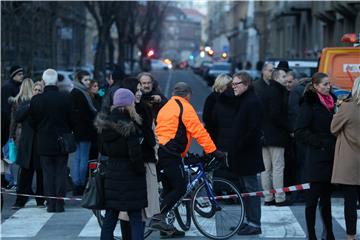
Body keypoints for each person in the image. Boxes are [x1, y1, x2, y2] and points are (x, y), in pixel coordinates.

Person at [152, 82, 226, 237]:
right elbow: (198, 130)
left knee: (168, 189)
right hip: (171, 153)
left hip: (161, 150)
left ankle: (166, 230)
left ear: (173, 93)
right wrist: (213, 151)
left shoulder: (167, 106)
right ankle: (158, 218)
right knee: (180, 188)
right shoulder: (185, 106)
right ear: (188, 95)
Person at [214, 72, 264, 235]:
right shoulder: (242, 99)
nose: (233, 87)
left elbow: (253, 130)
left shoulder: (252, 102)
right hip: (241, 154)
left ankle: (254, 223)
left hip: (248, 155)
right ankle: (247, 220)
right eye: (232, 84)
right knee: (245, 189)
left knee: (251, 189)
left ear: (246, 85)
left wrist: (238, 145)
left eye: (236, 84)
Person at [95, 88, 146, 240]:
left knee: (110, 216)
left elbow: (101, 149)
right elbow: (135, 154)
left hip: (112, 172)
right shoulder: (129, 125)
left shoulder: (104, 124)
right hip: (131, 174)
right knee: (136, 217)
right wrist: (141, 170)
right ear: (127, 104)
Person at [116, 77, 160, 240]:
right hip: (131, 166)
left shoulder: (145, 109)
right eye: (137, 90)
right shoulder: (123, 113)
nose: (140, 93)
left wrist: (154, 150)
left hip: (146, 163)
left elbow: (152, 133)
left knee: (142, 209)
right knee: (127, 211)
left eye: (141, 89)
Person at [295, 72, 336, 240]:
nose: (329, 87)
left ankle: (329, 233)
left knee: (326, 200)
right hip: (317, 157)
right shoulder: (309, 104)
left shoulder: (333, 102)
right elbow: (300, 131)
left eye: (329, 84)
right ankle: (311, 234)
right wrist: (319, 142)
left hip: (331, 156)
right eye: (325, 84)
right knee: (312, 200)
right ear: (316, 86)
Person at [29, 69, 73, 213]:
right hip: (62, 140)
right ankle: (60, 203)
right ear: (56, 81)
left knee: (47, 174)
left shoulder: (37, 100)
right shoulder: (66, 98)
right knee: (60, 172)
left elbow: (32, 122)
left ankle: (51, 203)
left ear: (43, 81)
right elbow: (72, 120)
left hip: (44, 140)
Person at [331, 76, 360, 240]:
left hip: (350, 162)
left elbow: (334, 128)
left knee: (350, 202)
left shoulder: (347, 108)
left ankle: (351, 236)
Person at [10, 80, 45, 209]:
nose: (37, 92)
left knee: (41, 174)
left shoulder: (45, 105)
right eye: (35, 90)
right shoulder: (26, 103)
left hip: (40, 144)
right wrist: (30, 106)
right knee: (25, 174)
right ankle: (20, 200)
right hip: (27, 145)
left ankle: (40, 200)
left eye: (39, 90)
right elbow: (18, 117)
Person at [260, 68, 291, 206]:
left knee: (266, 169)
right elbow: (276, 115)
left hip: (264, 136)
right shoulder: (277, 92)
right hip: (276, 135)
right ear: (277, 78)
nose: (286, 78)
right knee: (278, 167)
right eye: (284, 76)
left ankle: (268, 197)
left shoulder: (266, 91)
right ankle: (279, 197)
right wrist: (289, 128)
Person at [70, 70, 98, 195]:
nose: (88, 82)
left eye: (89, 80)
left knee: (78, 158)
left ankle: (77, 183)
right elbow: (86, 113)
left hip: (77, 130)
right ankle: (79, 183)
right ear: (79, 80)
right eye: (86, 80)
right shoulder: (81, 93)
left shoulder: (75, 92)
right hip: (85, 130)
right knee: (83, 158)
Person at [1, 65, 24, 189]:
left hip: (12, 127)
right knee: (7, 156)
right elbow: (5, 110)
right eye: (19, 74)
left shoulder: (16, 87)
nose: (22, 76)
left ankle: (7, 180)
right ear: (13, 75)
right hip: (7, 127)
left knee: (10, 156)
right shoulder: (8, 88)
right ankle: (7, 180)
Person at [202, 74, 232, 141]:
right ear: (221, 85)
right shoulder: (212, 98)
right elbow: (206, 118)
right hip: (214, 135)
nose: (231, 87)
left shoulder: (232, 98)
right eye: (228, 86)